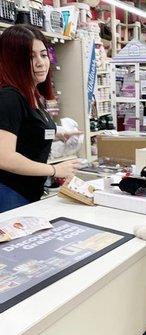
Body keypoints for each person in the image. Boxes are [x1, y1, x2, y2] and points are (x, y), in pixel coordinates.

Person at [0, 24, 81, 213]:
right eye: (30, 57)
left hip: (27, 193)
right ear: (11, 61)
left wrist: (59, 134)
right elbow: (4, 157)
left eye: (43, 55)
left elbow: (26, 132)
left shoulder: (32, 95)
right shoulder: (10, 97)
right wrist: (54, 170)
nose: (40, 63)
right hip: (9, 194)